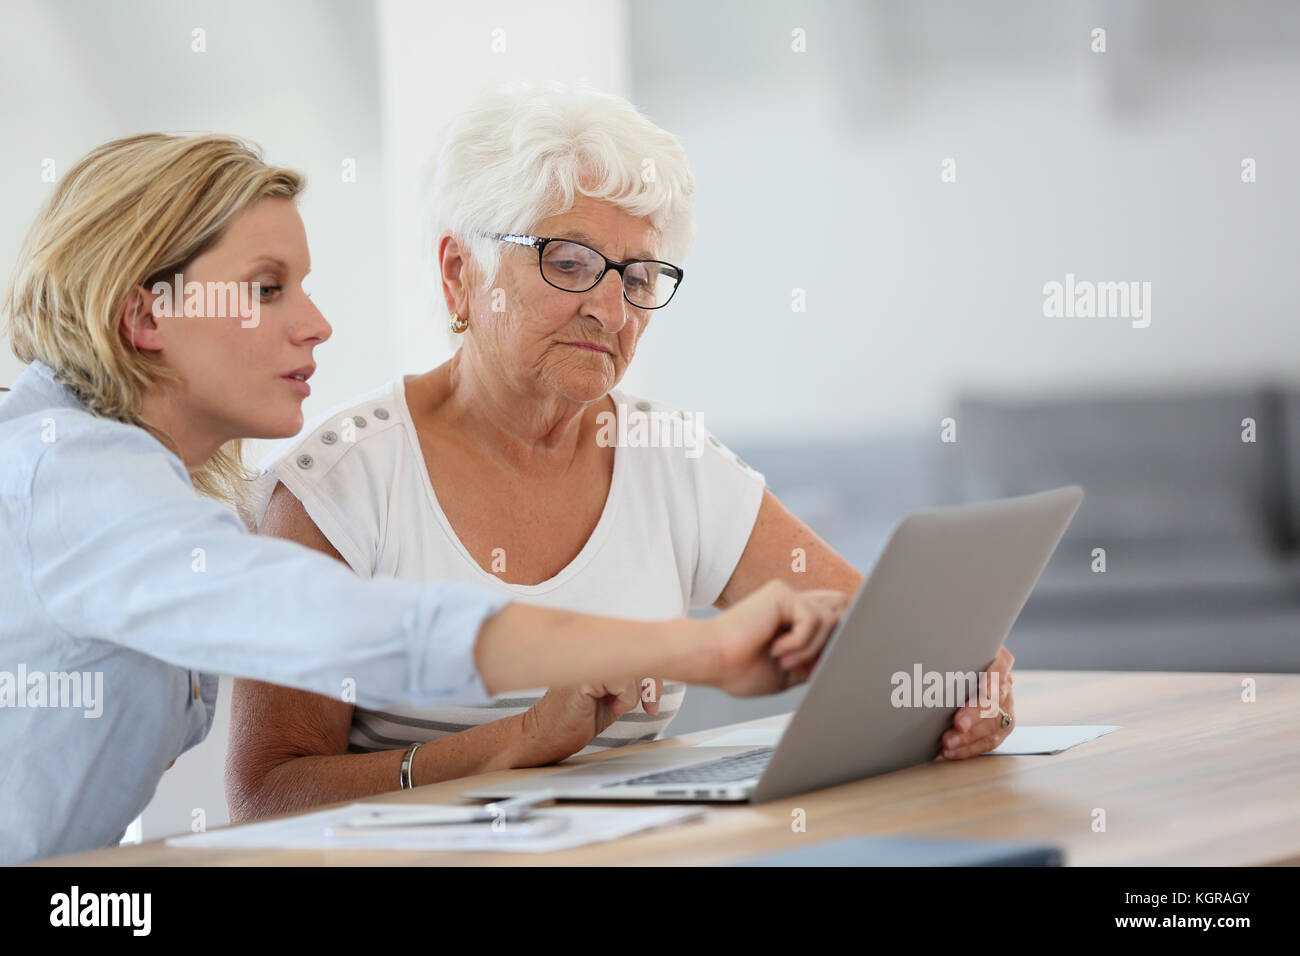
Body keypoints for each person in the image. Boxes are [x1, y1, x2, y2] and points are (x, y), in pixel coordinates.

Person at [0, 132, 848, 864]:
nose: (318, 323)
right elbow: (341, 627)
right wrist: (695, 649)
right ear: (146, 318)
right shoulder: (72, 482)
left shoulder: (135, 482)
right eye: (267, 288)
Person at [226, 83, 1016, 822]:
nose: (610, 308)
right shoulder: (340, 482)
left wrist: (961, 678)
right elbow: (265, 797)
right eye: (568, 262)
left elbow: (880, 640)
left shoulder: (666, 455)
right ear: (461, 274)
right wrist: (519, 741)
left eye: (639, 276)